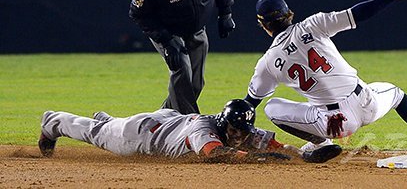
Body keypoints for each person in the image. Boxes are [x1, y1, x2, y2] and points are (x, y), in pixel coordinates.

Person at [244, 0, 407, 158]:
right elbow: (357, 13)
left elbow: (250, 103)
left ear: (262, 25)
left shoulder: (268, 61)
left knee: (271, 107)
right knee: (397, 94)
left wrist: (230, 120)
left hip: (334, 124)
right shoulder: (314, 24)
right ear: (289, 13)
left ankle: (321, 143)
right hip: (366, 102)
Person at [129, 0, 235, 114]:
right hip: (168, 31)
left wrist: (225, 13)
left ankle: (157, 122)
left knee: (195, 84)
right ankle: (192, 127)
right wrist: (166, 40)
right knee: (182, 73)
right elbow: (139, 14)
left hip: (196, 29)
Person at [38, 99, 341, 163]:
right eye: (235, 129)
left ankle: (106, 118)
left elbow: (272, 145)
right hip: (141, 135)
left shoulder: (239, 127)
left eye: (243, 129)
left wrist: (303, 154)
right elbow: (214, 154)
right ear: (225, 123)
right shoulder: (205, 129)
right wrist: (257, 159)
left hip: (169, 120)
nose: (240, 135)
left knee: (106, 124)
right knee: (97, 133)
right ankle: (53, 120)